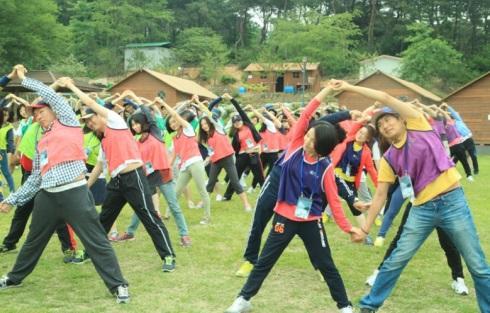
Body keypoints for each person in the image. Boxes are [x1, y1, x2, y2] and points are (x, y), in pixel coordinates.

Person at [330, 80, 490, 313]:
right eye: (381, 124)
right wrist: (364, 230)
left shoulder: (418, 123)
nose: (385, 125)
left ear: (401, 119)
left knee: (477, 265)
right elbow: (381, 194)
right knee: (396, 259)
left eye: (388, 119)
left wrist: (349, 87)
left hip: (452, 202)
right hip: (422, 209)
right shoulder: (389, 158)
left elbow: (384, 96)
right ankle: (369, 306)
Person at [225, 83, 364, 313]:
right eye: (308, 135)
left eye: (312, 139)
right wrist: (327, 90)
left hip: (311, 221)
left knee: (326, 265)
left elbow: (335, 202)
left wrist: (348, 228)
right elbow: (308, 111)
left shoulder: (326, 168)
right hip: (284, 218)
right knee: (265, 261)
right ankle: (243, 300)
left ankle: (344, 306)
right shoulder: (294, 146)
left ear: (323, 147)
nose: (307, 139)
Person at [0, 65, 129, 303]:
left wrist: (23, 79)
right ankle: (14, 277)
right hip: (47, 197)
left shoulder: (68, 121)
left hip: (74, 192)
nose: (37, 116)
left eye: (40, 111)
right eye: (34, 114)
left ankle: (119, 285)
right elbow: (36, 178)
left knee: (96, 240)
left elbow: (50, 95)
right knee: (33, 240)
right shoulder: (42, 141)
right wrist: (11, 199)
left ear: (52, 111)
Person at [67, 81, 177, 272]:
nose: (91, 123)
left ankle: (168, 255)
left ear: (101, 116)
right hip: (116, 182)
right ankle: (90, 252)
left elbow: (92, 104)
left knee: (149, 217)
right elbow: (100, 166)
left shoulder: (116, 123)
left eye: (92, 119)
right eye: (87, 122)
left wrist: (72, 87)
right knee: (104, 220)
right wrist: (86, 186)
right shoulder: (103, 141)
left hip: (134, 178)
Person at [118, 104, 191, 247]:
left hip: (162, 174)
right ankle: (130, 232)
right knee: (142, 206)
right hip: (147, 177)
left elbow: (149, 116)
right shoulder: (137, 142)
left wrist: (138, 103)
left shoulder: (155, 133)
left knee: (173, 205)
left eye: (137, 123)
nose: (135, 127)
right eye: (132, 124)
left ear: (143, 123)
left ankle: (184, 235)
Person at [194, 94, 253, 211]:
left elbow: (207, 112)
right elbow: (211, 153)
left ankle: (246, 204)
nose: (204, 126)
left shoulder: (217, 128)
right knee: (210, 183)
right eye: (202, 125)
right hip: (216, 161)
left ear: (210, 123)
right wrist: (205, 162)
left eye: (206, 124)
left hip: (227, 159)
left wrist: (198, 102)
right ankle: (203, 202)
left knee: (235, 183)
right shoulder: (206, 138)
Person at [159, 98, 212, 224]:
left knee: (202, 190)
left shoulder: (187, 129)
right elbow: (174, 155)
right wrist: (167, 167)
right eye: (171, 123)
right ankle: (167, 213)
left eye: (174, 121)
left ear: (178, 121)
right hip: (184, 166)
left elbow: (175, 114)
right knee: (176, 191)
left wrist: (164, 103)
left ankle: (207, 217)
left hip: (195, 162)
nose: (173, 124)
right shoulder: (174, 138)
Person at [442, 103, 479, 175]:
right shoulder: (450, 125)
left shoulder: (458, 120)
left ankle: (476, 170)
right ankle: (450, 170)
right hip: (460, 142)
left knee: (473, 155)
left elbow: (453, 112)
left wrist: (447, 107)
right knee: (456, 157)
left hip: (468, 139)